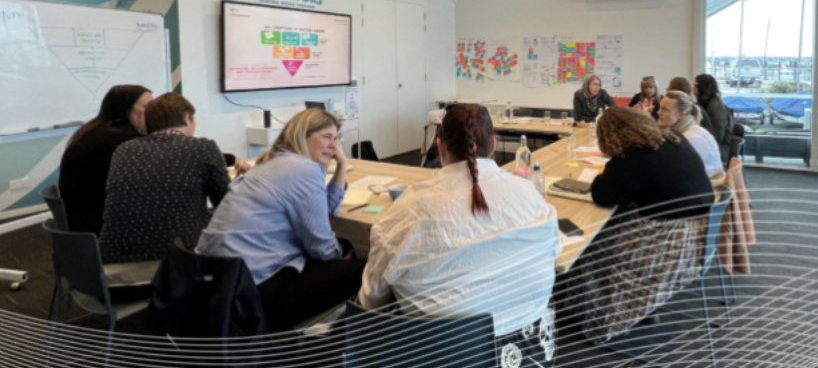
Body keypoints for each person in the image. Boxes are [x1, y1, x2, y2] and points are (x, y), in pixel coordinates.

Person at [359, 104, 561, 367]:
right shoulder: (530, 194)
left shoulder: (410, 208)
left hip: (443, 353)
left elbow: (371, 299)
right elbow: (552, 255)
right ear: (493, 145)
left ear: (440, 148)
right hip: (530, 350)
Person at [196, 108, 364, 332]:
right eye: (327, 137)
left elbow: (324, 210)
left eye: (335, 138)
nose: (334, 147)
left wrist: (341, 166)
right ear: (302, 135)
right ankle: (334, 339)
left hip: (215, 280)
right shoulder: (304, 169)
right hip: (250, 292)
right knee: (368, 270)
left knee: (342, 248)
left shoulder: (270, 162)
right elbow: (321, 248)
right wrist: (340, 256)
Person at [562, 107, 715, 344]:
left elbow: (603, 194)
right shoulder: (674, 138)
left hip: (661, 246)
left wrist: (610, 168)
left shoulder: (635, 154)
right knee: (608, 227)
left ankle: (611, 317)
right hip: (695, 238)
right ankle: (642, 306)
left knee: (589, 243)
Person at [99, 93, 228, 264]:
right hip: (178, 258)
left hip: (113, 258)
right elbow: (226, 202)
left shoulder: (124, 149)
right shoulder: (202, 147)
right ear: (186, 118)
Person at [59, 85, 151, 235]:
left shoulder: (93, 130)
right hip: (97, 223)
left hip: (78, 215)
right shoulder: (124, 142)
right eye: (148, 107)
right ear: (126, 109)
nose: (153, 112)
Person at [658, 90, 724, 174]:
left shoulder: (690, 139)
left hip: (708, 182)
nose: (659, 112)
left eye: (665, 109)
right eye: (660, 107)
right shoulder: (692, 130)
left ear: (682, 115)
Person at [695, 74, 734, 164]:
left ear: (703, 88)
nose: (693, 89)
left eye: (695, 85)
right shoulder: (708, 104)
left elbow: (717, 137)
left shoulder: (716, 107)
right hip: (713, 149)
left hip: (719, 152)